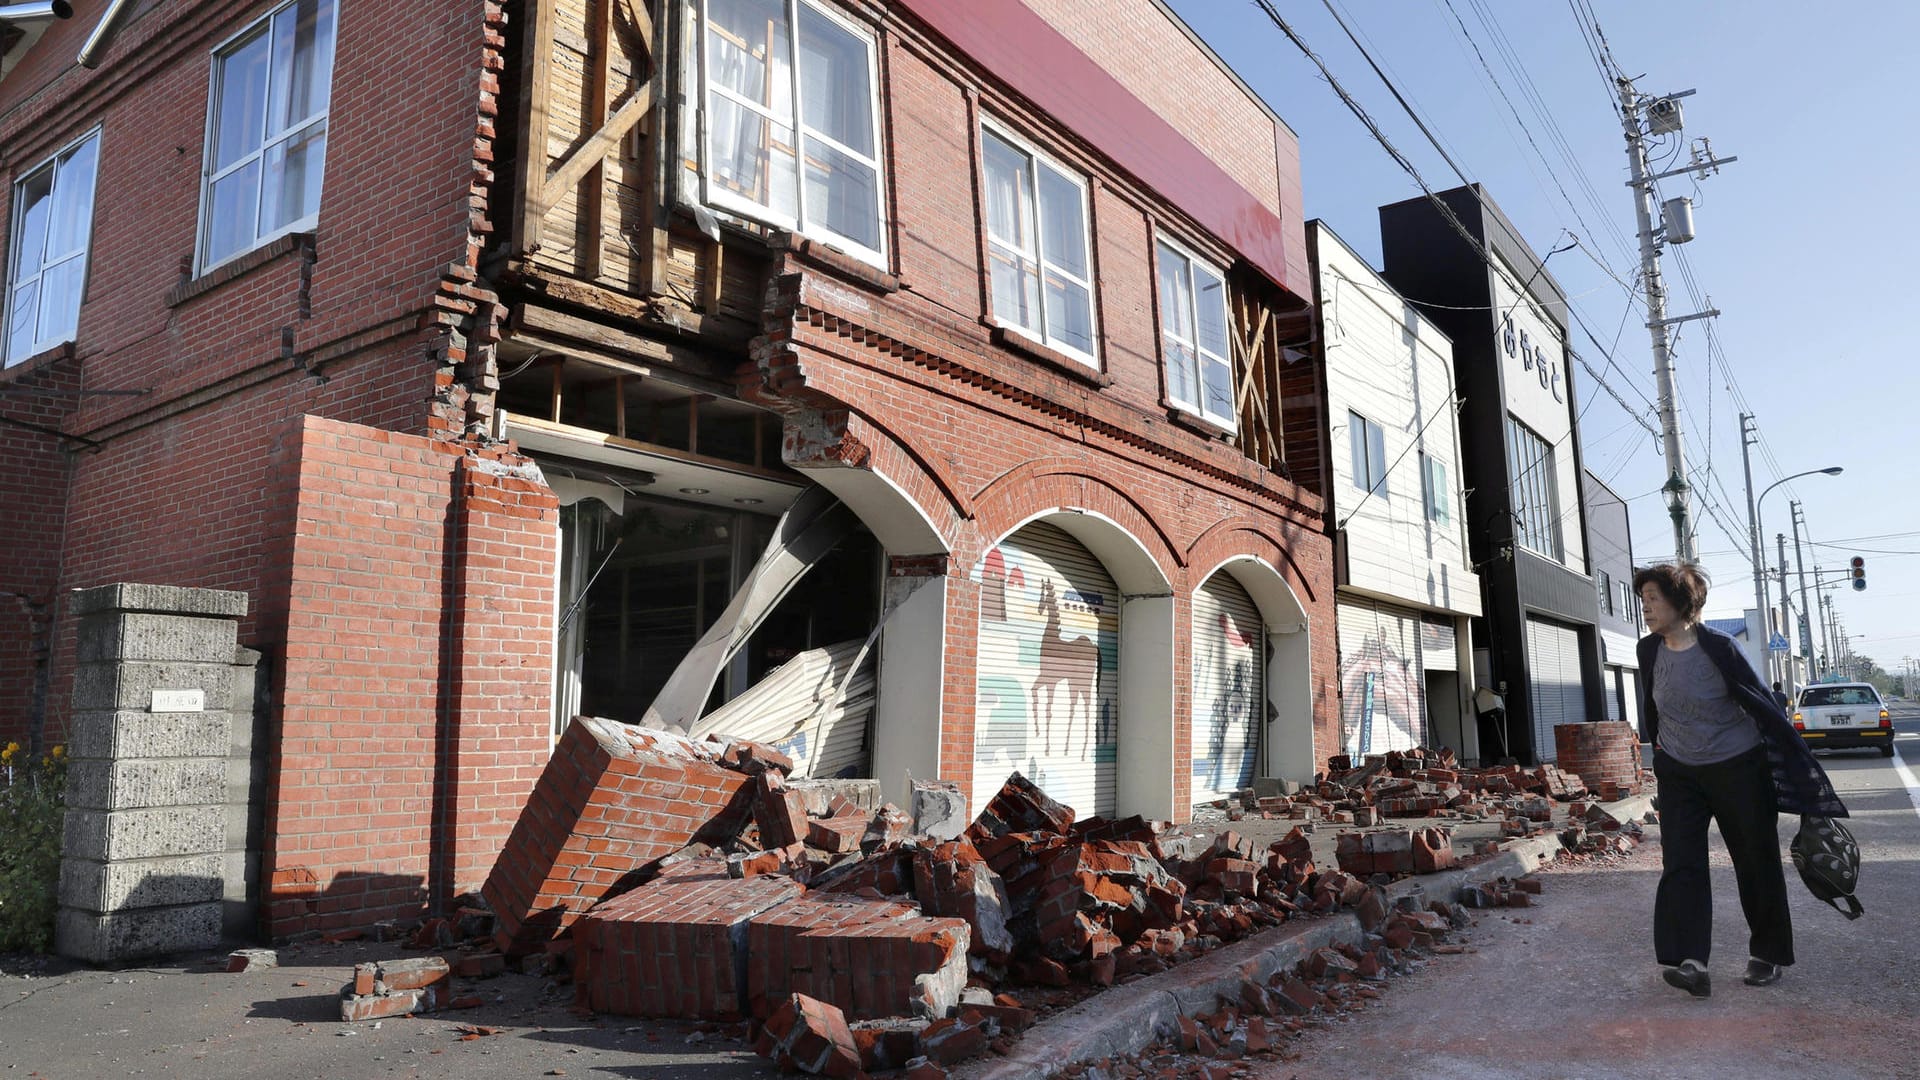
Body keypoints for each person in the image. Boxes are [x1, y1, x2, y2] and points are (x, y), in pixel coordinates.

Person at [1635, 563, 1847, 998]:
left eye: (1653, 598)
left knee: (1754, 859)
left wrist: (1801, 775)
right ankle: (1690, 962)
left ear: (1681, 602)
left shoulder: (1720, 647)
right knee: (1681, 864)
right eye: (1643, 600)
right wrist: (1660, 753)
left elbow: (1761, 703)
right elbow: (1653, 709)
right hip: (1679, 770)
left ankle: (1766, 955)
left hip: (1737, 765)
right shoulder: (1646, 651)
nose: (1646, 607)